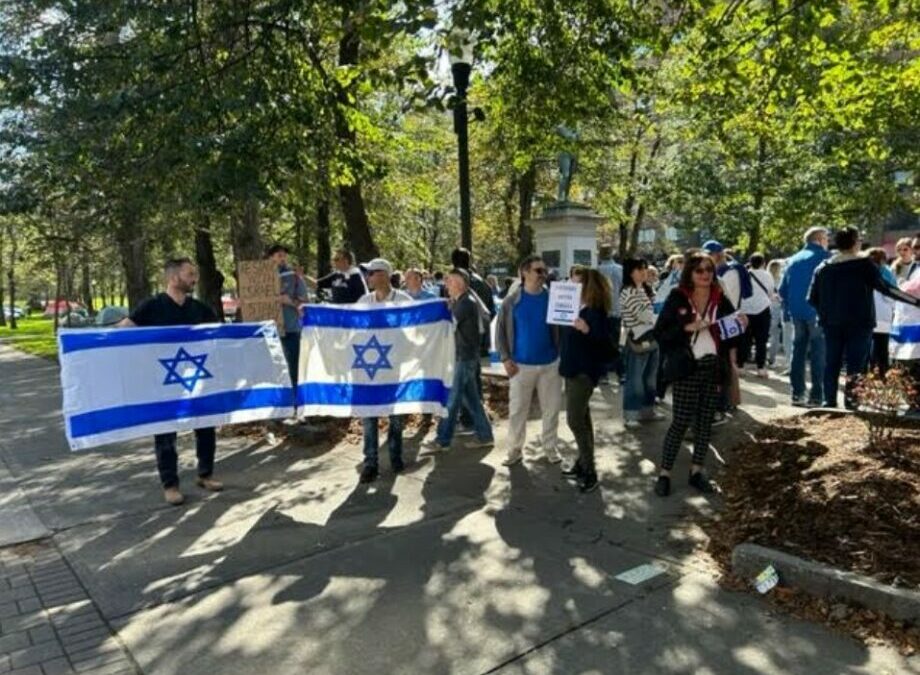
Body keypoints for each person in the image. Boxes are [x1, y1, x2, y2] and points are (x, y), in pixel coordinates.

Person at [118, 258, 223, 506]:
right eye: (190, 274)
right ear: (174, 277)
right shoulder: (152, 307)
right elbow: (125, 329)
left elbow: (220, 334)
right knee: (165, 434)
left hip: (196, 380)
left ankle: (205, 474)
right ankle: (171, 485)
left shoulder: (199, 308)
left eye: (195, 274)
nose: (194, 278)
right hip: (162, 383)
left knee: (206, 427)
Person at [653, 251, 746, 497]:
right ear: (690, 273)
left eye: (709, 270)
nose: (705, 274)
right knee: (681, 422)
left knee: (705, 423)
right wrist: (686, 327)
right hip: (686, 367)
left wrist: (740, 326)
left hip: (713, 367)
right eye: (700, 270)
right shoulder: (678, 297)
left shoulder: (720, 299)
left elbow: (731, 336)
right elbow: (660, 333)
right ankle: (664, 474)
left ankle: (696, 472)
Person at [808, 227, 920, 409]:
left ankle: (828, 400)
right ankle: (852, 401)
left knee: (831, 362)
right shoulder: (864, 265)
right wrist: (915, 301)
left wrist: (827, 313)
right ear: (854, 243)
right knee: (856, 364)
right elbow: (887, 288)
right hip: (859, 324)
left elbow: (812, 298)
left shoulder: (823, 268)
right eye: (859, 239)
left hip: (831, 324)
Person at [495, 255, 562, 467]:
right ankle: (514, 450)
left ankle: (550, 448)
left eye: (545, 271)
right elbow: (500, 333)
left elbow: (563, 328)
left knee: (551, 409)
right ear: (524, 272)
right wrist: (505, 358)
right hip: (520, 366)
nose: (543, 275)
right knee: (517, 411)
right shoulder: (512, 301)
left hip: (550, 364)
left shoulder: (553, 298)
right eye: (538, 271)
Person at [422, 269, 494, 451]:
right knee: (471, 400)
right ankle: (485, 436)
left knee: (452, 400)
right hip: (464, 357)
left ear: (461, 283)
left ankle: (442, 440)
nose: (446, 284)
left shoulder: (465, 303)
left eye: (450, 281)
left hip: (463, 358)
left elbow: (448, 326)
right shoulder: (461, 301)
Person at [357, 258, 413, 483]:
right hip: (369, 368)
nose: (368, 277)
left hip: (395, 368)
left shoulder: (403, 300)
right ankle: (370, 463)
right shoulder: (364, 301)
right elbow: (352, 329)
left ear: (383, 275)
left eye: (371, 273)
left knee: (396, 417)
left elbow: (419, 327)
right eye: (367, 274)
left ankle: (395, 456)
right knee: (369, 417)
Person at [559, 268, 612, 493]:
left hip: (583, 372)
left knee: (575, 420)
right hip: (572, 370)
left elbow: (602, 341)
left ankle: (590, 471)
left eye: (577, 283)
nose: (572, 285)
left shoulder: (595, 312)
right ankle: (583, 463)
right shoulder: (578, 308)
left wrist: (586, 329)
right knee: (583, 418)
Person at [778, 227, 830, 407]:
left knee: (798, 351)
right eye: (826, 238)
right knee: (818, 353)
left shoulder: (792, 260)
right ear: (820, 239)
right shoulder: (825, 258)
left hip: (797, 311)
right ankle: (816, 395)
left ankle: (797, 394)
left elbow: (782, 290)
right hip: (817, 312)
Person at [620, 258, 663, 428]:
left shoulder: (644, 290)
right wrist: (657, 314)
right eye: (639, 269)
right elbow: (645, 316)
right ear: (630, 272)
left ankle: (647, 410)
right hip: (637, 340)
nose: (644, 272)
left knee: (650, 379)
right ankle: (631, 414)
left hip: (652, 338)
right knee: (635, 379)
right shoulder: (628, 292)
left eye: (645, 268)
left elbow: (650, 316)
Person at [267, 244, 308, 388]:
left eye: (284, 255)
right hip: (269, 332)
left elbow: (305, 306)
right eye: (279, 255)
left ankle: (295, 399)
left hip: (291, 329)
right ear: (271, 258)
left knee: (293, 367)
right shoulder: (261, 279)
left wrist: (289, 301)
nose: (283, 258)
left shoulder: (295, 278)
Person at [739, 253, 774, 378]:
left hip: (745, 310)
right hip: (762, 309)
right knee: (761, 340)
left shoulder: (744, 275)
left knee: (744, 339)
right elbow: (770, 291)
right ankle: (761, 368)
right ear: (763, 263)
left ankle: (741, 366)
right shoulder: (767, 275)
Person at [867, 247, 896, 375]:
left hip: (867, 316)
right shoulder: (888, 273)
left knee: (868, 349)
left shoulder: (864, 271)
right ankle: (882, 376)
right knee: (882, 350)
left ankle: (870, 375)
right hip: (883, 317)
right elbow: (892, 296)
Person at [597, 244, 624, 383]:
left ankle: (603, 374)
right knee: (614, 343)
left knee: (602, 343)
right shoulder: (620, 270)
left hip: (601, 312)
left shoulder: (597, 271)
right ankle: (621, 373)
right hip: (616, 310)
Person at [766, 259, 789, 367]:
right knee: (780, 335)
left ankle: (771, 358)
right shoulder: (781, 279)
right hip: (779, 308)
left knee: (772, 335)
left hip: (767, 308)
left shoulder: (766, 279)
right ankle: (774, 359)